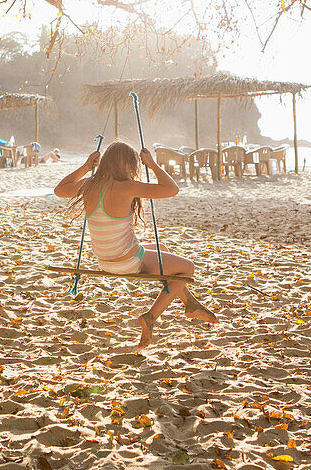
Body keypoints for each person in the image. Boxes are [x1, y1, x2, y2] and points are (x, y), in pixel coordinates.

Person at [53, 141, 218, 349]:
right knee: (187, 268)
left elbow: (59, 189)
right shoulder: (126, 187)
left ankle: (190, 304)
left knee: (162, 250)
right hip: (127, 261)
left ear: (105, 163)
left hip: (105, 261)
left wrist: (86, 167)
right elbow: (172, 189)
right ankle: (150, 317)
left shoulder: (89, 185)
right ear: (127, 165)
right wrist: (153, 164)